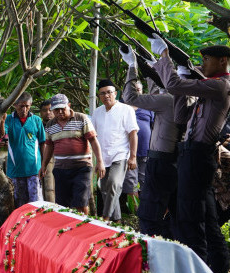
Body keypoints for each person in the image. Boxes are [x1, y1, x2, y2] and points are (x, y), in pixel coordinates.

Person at [150, 35, 230, 273]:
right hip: (192, 155)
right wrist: (184, 79)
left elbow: (173, 84)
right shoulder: (208, 87)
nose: (203, 64)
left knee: (190, 219)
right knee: (204, 220)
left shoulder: (219, 85)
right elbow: (180, 114)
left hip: (198, 157)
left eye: (206, 60)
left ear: (223, 61)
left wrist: (165, 57)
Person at [120, 47, 180, 238]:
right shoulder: (185, 97)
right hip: (176, 161)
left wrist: (132, 66)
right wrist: (152, 67)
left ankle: (150, 255)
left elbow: (130, 97)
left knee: (149, 215)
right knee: (175, 213)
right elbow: (158, 87)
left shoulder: (168, 100)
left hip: (160, 161)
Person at [39, 94, 106, 215]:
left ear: (68, 106)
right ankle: (67, 230)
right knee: (63, 206)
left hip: (82, 168)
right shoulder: (50, 125)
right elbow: (49, 146)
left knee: (81, 204)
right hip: (61, 169)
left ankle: (83, 228)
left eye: (62, 109)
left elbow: (93, 141)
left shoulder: (81, 118)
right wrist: (43, 165)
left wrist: (100, 162)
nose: (60, 112)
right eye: (56, 110)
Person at [91, 79, 138, 222]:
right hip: (103, 157)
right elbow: (93, 136)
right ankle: (117, 221)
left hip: (120, 155)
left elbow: (133, 134)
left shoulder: (126, 109)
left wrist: (133, 156)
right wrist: (96, 160)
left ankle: (105, 218)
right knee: (105, 189)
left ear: (115, 94)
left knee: (114, 184)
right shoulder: (97, 112)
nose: (106, 96)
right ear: (99, 96)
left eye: (109, 92)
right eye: (103, 93)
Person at [4, 93, 46, 207]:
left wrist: (43, 165)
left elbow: (43, 143)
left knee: (36, 203)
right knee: (20, 204)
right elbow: (2, 134)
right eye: (21, 106)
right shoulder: (8, 119)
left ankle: (36, 225)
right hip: (15, 170)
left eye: (27, 106)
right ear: (15, 105)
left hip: (34, 169)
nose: (24, 109)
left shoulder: (36, 120)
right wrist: (1, 120)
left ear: (30, 105)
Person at [38, 100, 56, 202]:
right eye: (44, 110)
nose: (48, 112)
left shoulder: (59, 125)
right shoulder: (38, 126)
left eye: (50, 110)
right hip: (42, 160)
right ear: (40, 112)